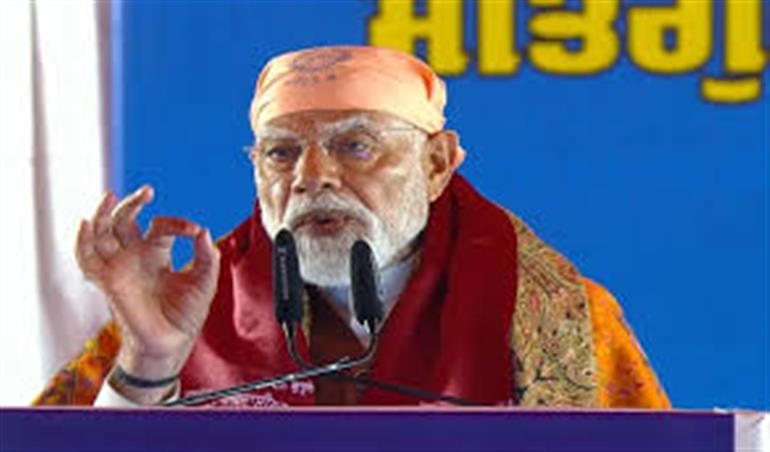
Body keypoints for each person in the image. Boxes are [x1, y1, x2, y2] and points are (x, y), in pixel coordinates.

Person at [35, 46, 669, 408]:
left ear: (437, 163)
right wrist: (149, 363)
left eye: (355, 146)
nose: (312, 178)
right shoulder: (187, 310)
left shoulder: (551, 317)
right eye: (281, 153)